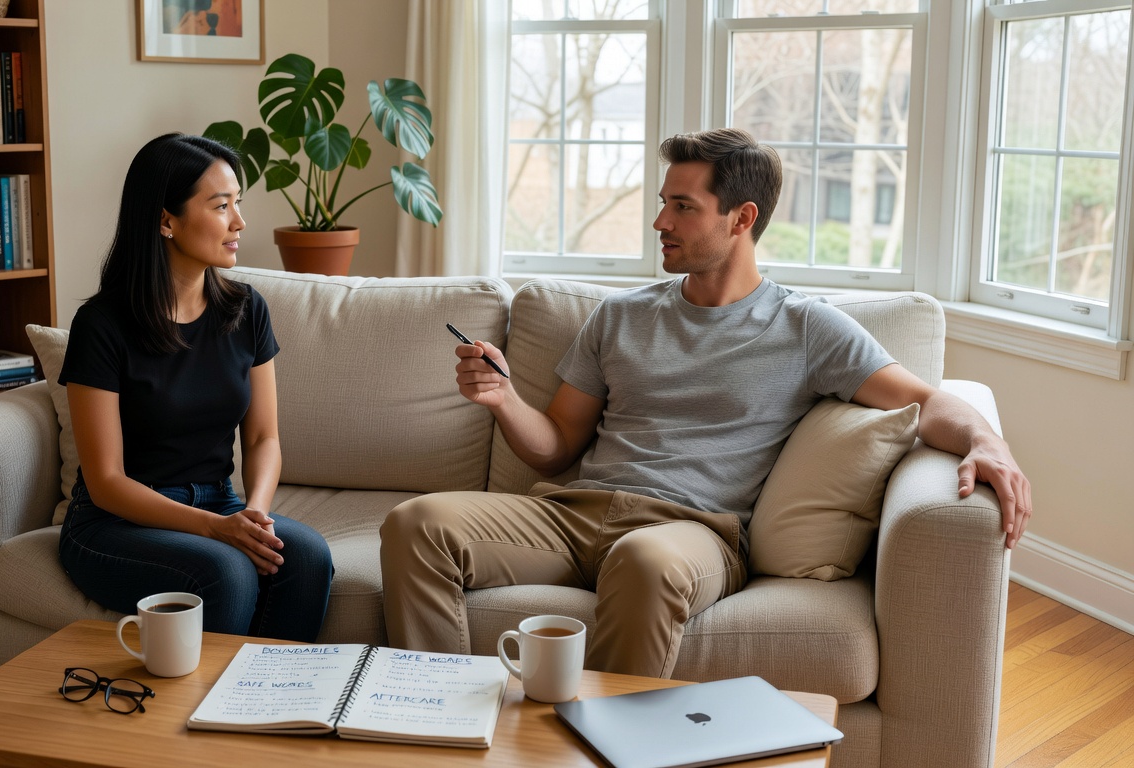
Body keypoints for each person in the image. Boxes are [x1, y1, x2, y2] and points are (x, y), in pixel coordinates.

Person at [379, 128, 1032, 678]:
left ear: (741, 218)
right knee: (416, 524)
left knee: (644, 560)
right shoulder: (620, 316)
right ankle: (435, 715)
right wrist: (501, 398)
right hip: (571, 515)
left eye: (682, 207)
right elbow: (555, 446)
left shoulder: (806, 328)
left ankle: (602, 744)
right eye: (663, 203)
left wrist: (988, 443)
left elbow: (926, 403)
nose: (660, 222)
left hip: (692, 532)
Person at [59, 133, 333, 642]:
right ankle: (195, 717)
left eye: (238, 204)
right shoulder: (101, 324)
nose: (239, 223)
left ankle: (267, 708)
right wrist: (215, 530)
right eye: (221, 206)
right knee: (225, 573)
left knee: (308, 557)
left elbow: (262, 439)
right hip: (116, 522)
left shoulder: (246, 309)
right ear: (166, 220)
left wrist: (255, 512)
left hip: (220, 504)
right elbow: (106, 482)